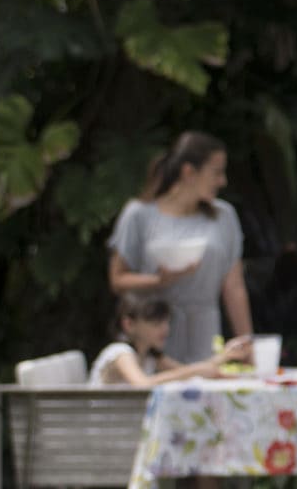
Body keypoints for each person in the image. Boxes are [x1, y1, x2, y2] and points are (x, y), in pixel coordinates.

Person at [91, 293, 256, 489]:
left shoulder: (151, 357)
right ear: (128, 324)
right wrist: (199, 369)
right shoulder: (119, 354)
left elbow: (191, 372)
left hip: (139, 442)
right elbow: (142, 384)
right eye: (155, 321)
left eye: (165, 321)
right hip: (112, 448)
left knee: (198, 450)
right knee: (196, 452)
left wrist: (224, 359)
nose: (164, 328)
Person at [108, 132, 253, 363]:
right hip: (156, 334)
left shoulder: (223, 216)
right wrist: (158, 282)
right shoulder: (138, 214)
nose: (222, 181)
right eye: (216, 172)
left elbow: (234, 288)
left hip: (205, 331)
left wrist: (247, 346)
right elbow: (117, 280)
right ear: (189, 172)